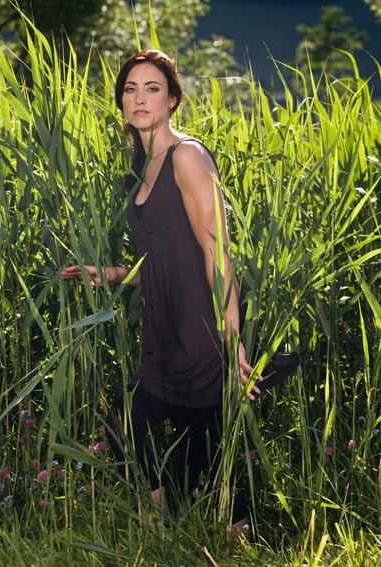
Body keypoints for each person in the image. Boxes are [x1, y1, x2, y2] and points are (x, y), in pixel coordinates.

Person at [61, 49, 297, 543]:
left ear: (171, 100)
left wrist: (233, 348)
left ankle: (236, 540)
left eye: (151, 89)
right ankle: (165, 531)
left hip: (201, 334)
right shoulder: (137, 168)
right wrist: (112, 273)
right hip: (162, 335)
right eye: (130, 88)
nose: (139, 98)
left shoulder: (186, 157)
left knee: (200, 451)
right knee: (135, 430)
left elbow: (218, 257)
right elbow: (166, 261)